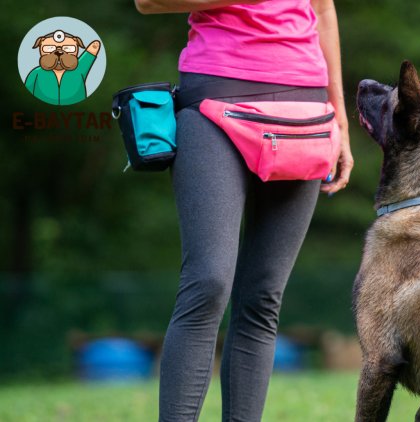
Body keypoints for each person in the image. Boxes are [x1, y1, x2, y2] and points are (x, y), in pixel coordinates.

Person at [134, 1, 353, 421]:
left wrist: (339, 119)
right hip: (215, 96)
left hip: (304, 108)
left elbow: (324, 10)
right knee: (208, 281)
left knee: (263, 296)